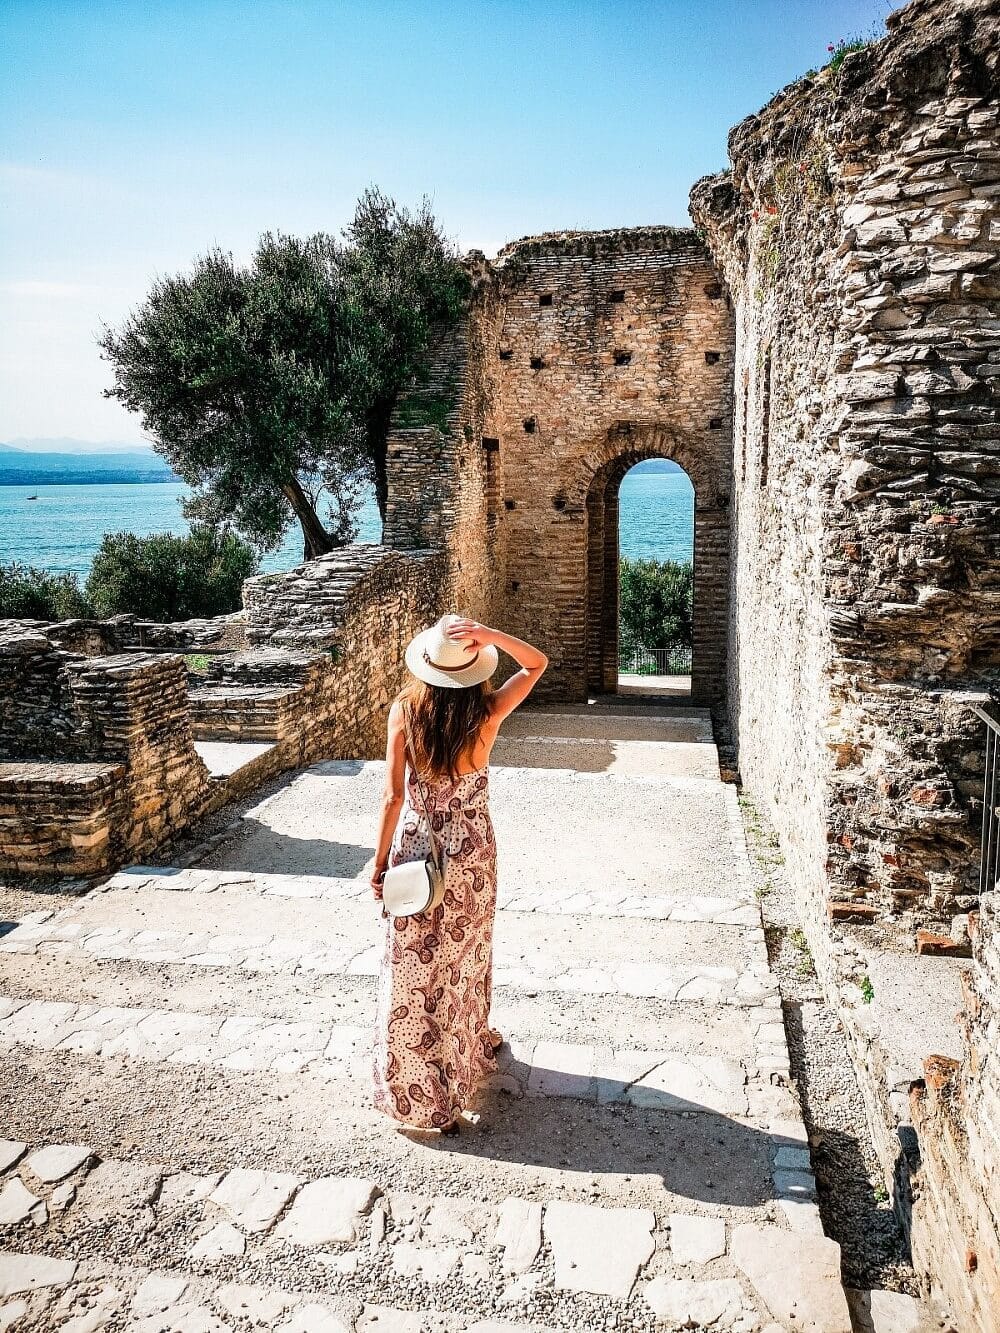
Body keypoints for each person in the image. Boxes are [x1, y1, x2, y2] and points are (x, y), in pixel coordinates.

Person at [371, 614, 548, 1132]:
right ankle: (463, 1058)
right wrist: (489, 636)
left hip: (417, 850)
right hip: (471, 851)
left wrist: (379, 862)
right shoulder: (489, 713)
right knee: (463, 956)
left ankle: (418, 1086)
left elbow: (392, 796)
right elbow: (537, 662)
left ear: (426, 666)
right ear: (474, 668)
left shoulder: (404, 712)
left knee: (412, 965)